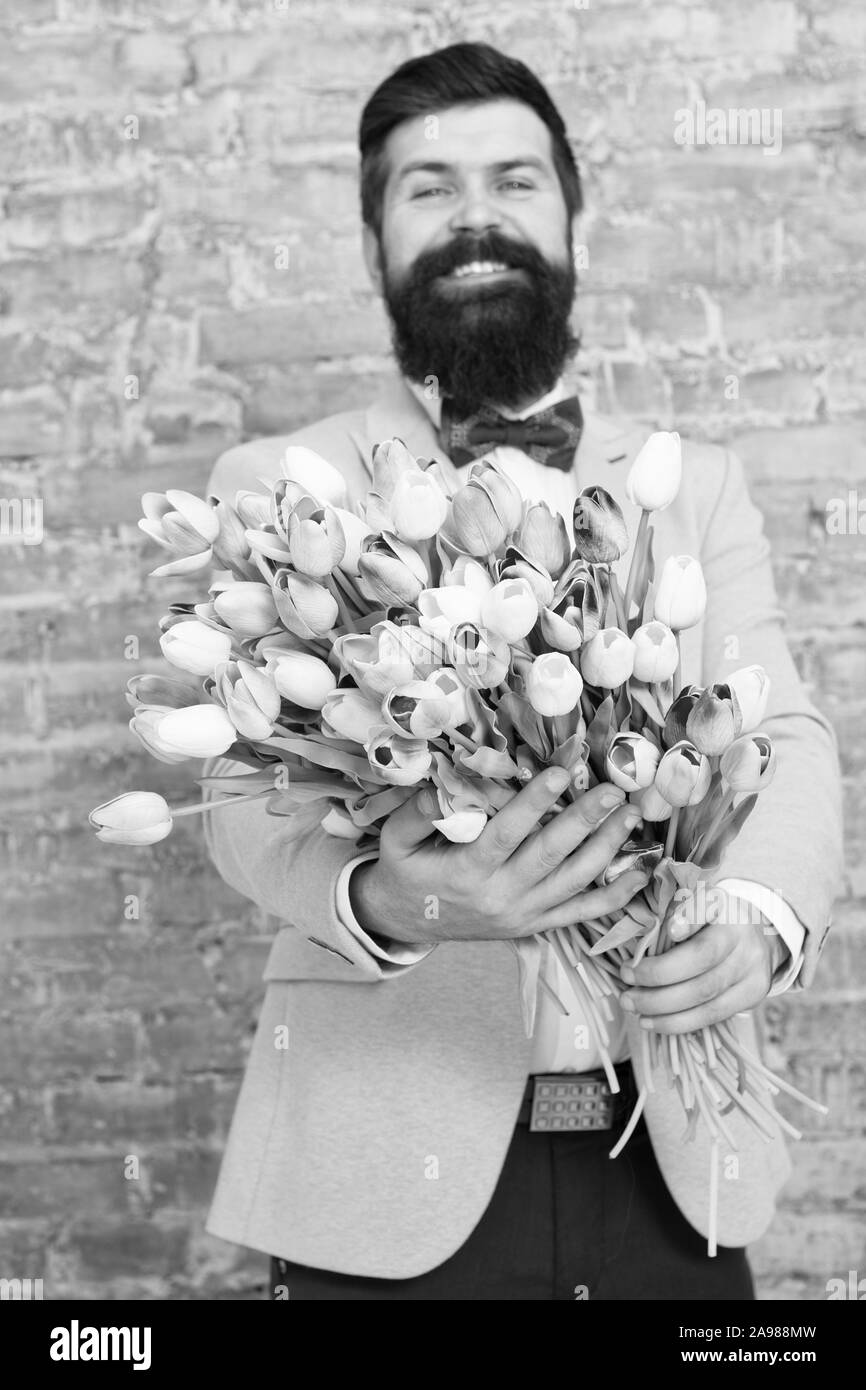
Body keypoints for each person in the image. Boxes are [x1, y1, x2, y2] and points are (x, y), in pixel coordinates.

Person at [202, 42, 842, 1300]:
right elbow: (242, 806)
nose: (475, 216)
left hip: (670, 1151)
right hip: (376, 1159)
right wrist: (403, 902)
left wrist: (759, 922)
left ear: (571, 218)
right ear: (374, 236)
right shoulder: (284, 491)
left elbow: (790, 737)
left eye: (514, 180)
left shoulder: (694, 481)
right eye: (427, 188)